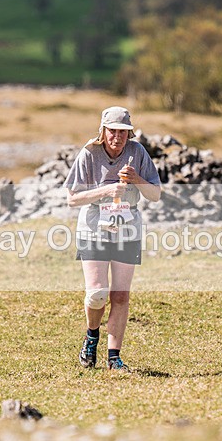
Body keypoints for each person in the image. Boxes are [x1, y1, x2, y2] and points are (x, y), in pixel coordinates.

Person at [64, 106, 162, 372]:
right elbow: (72, 198)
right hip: (94, 226)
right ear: (103, 131)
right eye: (112, 131)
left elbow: (155, 194)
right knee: (97, 294)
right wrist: (105, 189)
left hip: (127, 226)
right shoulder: (89, 153)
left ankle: (113, 357)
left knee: (120, 296)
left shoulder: (138, 153)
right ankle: (91, 335)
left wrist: (137, 179)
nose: (117, 137)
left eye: (123, 132)